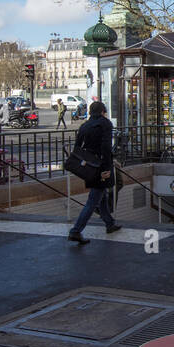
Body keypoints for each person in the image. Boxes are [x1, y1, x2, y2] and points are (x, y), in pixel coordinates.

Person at [67, 101, 123, 244]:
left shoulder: (84, 126)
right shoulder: (105, 124)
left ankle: (110, 223)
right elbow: (105, 147)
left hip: (90, 166)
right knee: (93, 200)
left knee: (101, 196)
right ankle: (76, 231)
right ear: (103, 111)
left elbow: (77, 148)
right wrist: (106, 168)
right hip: (101, 166)